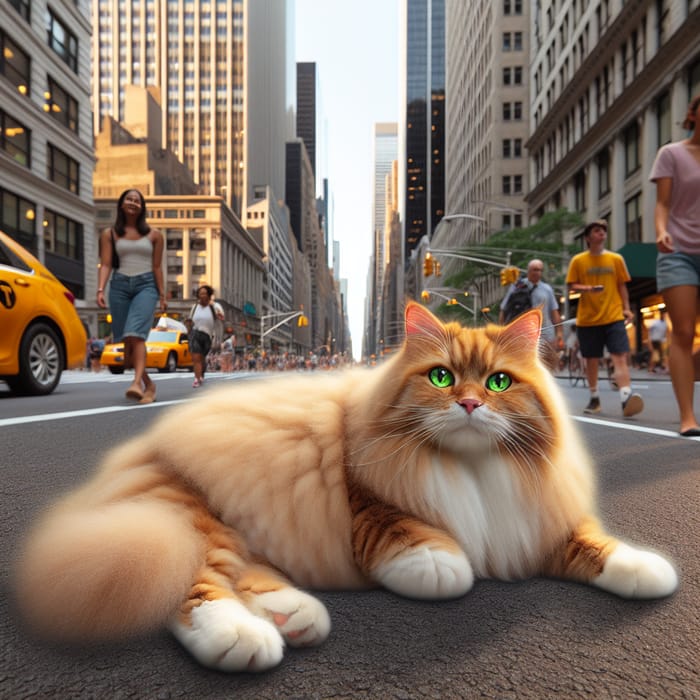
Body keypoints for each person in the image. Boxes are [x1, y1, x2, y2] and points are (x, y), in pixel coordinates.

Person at [650, 94, 700, 436]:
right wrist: (661, 231)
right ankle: (687, 416)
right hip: (678, 250)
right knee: (682, 332)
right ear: (693, 114)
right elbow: (662, 204)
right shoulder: (672, 153)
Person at [566, 220, 643, 417]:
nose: (602, 234)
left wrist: (626, 309)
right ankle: (594, 397)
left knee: (619, 356)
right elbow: (571, 285)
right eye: (597, 231)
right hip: (588, 319)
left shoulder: (616, 259)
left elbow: (622, 286)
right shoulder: (578, 261)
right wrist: (589, 289)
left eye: (603, 231)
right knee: (592, 360)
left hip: (614, 316)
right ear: (588, 238)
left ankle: (626, 396)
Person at [97, 189, 166, 403]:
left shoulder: (155, 235)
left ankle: (136, 383)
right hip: (119, 286)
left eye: (137, 200)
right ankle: (149, 384)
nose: (133, 203)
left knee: (135, 334)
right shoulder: (109, 234)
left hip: (146, 286)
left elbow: (156, 267)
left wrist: (162, 295)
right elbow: (106, 263)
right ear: (121, 204)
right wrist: (100, 289)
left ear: (142, 207)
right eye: (129, 199)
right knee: (126, 342)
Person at [499, 258, 563, 369]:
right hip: (522, 334)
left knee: (545, 366)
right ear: (528, 271)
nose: (537, 272)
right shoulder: (516, 287)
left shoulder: (547, 289)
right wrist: (500, 332)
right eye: (535, 270)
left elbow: (554, 312)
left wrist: (559, 333)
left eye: (540, 270)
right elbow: (504, 310)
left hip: (545, 333)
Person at [189, 285, 225, 387]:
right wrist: (188, 327)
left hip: (208, 336)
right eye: (200, 293)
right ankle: (197, 379)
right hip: (195, 333)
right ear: (198, 295)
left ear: (209, 295)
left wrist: (216, 311)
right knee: (196, 357)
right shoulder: (195, 307)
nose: (202, 295)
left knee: (201, 358)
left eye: (205, 293)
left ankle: (201, 374)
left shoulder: (214, 306)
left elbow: (221, 318)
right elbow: (190, 320)